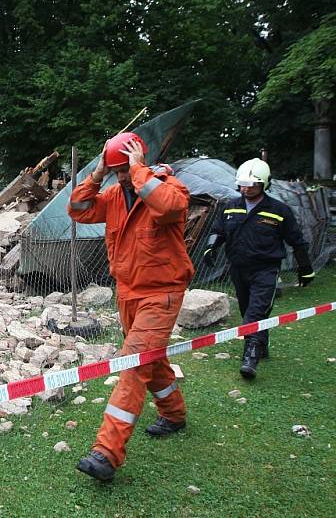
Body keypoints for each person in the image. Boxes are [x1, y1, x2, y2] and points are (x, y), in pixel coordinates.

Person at [68, 132, 194, 482]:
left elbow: (168, 208)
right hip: (128, 292)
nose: (121, 175)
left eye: (124, 168)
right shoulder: (110, 196)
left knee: (134, 363)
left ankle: (106, 453)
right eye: (116, 169)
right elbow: (77, 210)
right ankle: (173, 414)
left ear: (138, 159)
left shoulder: (169, 187)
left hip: (161, 292)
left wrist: (139, 171)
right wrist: (95, 176)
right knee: (151, 358)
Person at [203, 158, 314, 379]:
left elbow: (297, 241)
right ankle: (261, 345)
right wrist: (211, 247)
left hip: (266, 270)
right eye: (243, 184)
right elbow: (219, 230)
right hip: (238, 269)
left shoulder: (279, 210)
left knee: (256, 312)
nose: (246, 189)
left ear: (264, 184)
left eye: (252, 185)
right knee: (247, 310)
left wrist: (305, 268)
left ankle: (250, 357)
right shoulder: (230, 207)